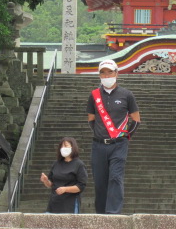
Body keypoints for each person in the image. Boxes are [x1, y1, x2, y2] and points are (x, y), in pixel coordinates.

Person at [87, 59, 140, 214]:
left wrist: (125, 136)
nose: (106, 75)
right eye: (103, 72)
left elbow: (136, 119)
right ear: (99, 75)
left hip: (119, 144)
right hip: (98, 145)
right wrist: (100, 133)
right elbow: (91, 119)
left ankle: (113, 213)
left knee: (115, 178)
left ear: (117, 73)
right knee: (100, 181)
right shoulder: (94, 96)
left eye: (110, 72)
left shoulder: (127, 95)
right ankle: (101, 214)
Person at [39, 137, 88, 213]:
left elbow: (81, 186)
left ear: (73, 147)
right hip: (54, 201)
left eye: (66, 145)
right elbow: (51, 184)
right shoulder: (56, 164)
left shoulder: (79, 164)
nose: (63, 148)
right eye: (61, 146)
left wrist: (65, 189)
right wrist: (45, 180)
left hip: (70, 203)